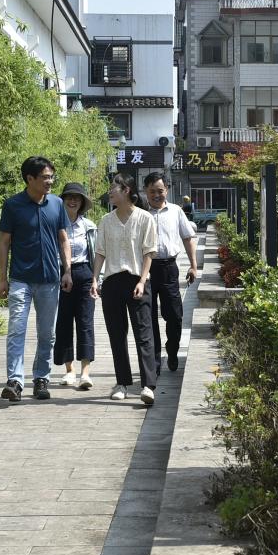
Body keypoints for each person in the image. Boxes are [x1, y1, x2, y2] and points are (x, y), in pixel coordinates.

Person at [0, 156, 72, 401]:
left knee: (47, 334)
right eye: (45, 177)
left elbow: (63, 239)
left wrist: (67, 270)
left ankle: (41, 378)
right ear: (30, 179)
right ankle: (15, 381)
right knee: (16, 330)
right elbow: (4, 242)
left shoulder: (57, 204)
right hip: (21, 279)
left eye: (51, 177)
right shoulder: (12, 205)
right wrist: (2, 278)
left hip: (50, 279)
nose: (50, 181)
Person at [90, 173, 160, 405]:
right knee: (117, 335)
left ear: (127, 190)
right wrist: (94, 279)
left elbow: (149, 252)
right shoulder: (106, 220)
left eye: (114, 188)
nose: (110, 192)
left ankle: (148, 385)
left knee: (144, 334)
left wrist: (142, 281)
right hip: (112, 282)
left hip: (137, 280)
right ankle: (122, 383)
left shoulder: (145, 218)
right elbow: (100, 252)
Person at [143, 173, 198, 374]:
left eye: (160, 190)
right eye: (152, 191)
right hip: (146, 271)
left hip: (169, 268)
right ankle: (155, 362)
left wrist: (193, 266)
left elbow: (187, 238)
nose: (156, 195)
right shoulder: (140, 214)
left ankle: (172, 350)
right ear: (145, 192)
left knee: (174, 316)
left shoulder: (176, 211)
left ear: (166, 189)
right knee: (148, 318)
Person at [53, 183, 97, 390]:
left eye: (77, 198)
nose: (72, 201)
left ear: (82, 202)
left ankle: (85, 372)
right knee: (63, 322)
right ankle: (69, 370)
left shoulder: (89, 226)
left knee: (85, 321)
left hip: (84, 273)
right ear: (62, 201)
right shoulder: (54, 224)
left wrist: (97, 279)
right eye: (69, 197)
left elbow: (97, 254)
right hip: (60, 274)